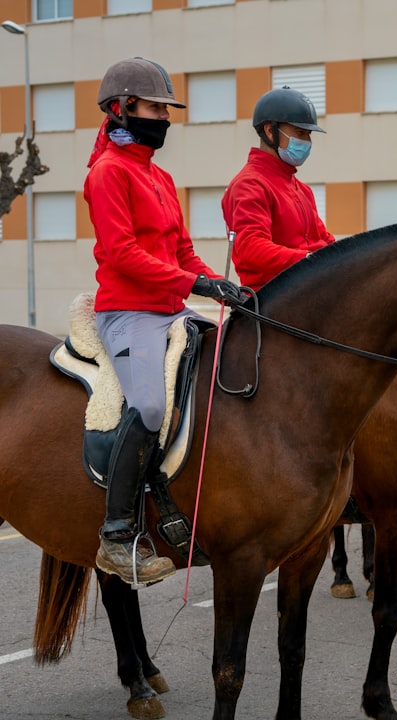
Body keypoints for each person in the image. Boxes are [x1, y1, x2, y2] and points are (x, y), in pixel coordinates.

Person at [85, 57, 242, 585]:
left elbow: (181, 250)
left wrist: (222, 286)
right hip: (128, 312)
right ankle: (116, 533)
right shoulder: (107, 174)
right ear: (122, 108)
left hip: (171, 306)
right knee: (150, 405)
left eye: (165, 109)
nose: (165, 118)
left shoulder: (159, 175)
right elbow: (123, 254)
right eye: (155, 108)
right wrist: (193, 284)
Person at [223, 87, 335, 291]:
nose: (307, 142)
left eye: (308, 135)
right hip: (272, 297)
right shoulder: (249, 185)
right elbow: (251, 247)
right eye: (300, 133)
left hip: (309, 287)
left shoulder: (302, 189)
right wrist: (309, 260)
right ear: (269, 131)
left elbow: (324, 240)